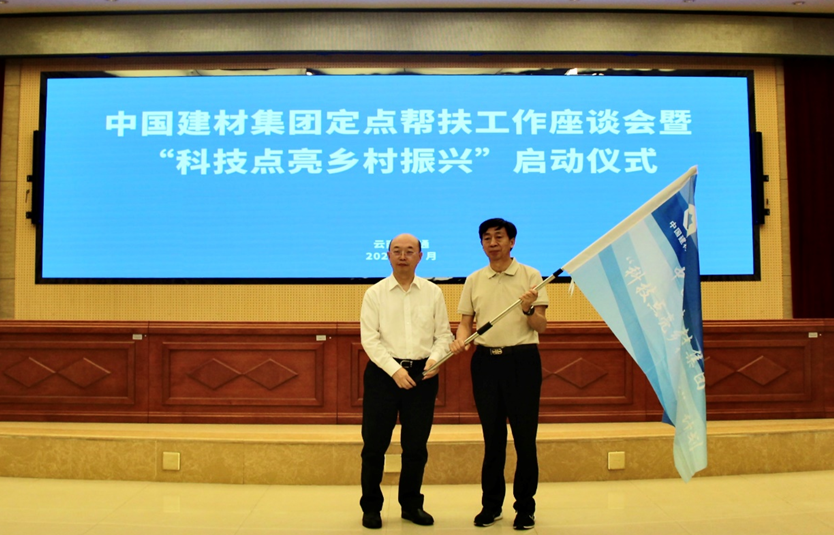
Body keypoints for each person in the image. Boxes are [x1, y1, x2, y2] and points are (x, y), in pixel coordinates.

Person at [449, 218, 549, 531]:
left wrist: (528, 309)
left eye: (499, 237)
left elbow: (541, 326)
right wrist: (460, 339)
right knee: (492, 439)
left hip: (522, 361)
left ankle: (525, 508)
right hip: (485, 363)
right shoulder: (474, 279)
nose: (493, 243)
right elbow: (465, 323)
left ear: (512, 241)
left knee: (524, 439)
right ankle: (491, 506)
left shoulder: (531, 276)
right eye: (487, 238)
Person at [359, 233, 454, 530]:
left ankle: (411, 505)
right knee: (374, 446)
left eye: (409, 251)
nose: (403, 256)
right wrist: (394, 371)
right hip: (383, 376)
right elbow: (370, 340)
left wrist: (435, 360)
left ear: (420, 257)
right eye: (397, 251)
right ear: (387, 255)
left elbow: (443, 335)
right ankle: (371, 507)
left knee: (415, 447)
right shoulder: (374, 293)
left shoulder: (432, 292)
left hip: (423, 376)